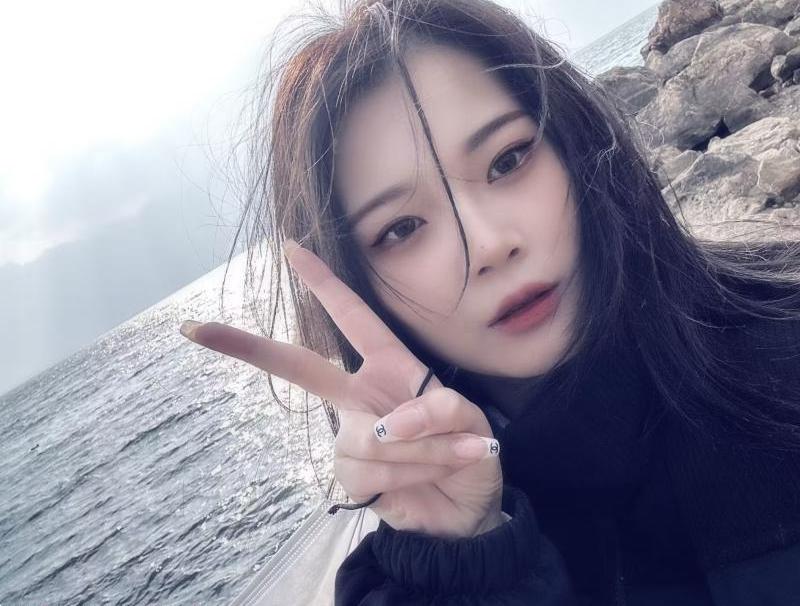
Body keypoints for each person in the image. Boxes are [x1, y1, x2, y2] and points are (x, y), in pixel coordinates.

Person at [179, 0, 800, 603]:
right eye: (401, 228)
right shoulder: (420, 569)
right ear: (357, 283)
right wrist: (468, 559)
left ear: (575, 142)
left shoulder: (785, 343)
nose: (488, 245)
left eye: (507, 160)